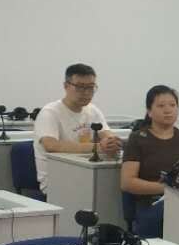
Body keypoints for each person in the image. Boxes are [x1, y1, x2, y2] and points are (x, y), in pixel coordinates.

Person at [121, 85, 179, 235]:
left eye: (172, 105)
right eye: (161, 106)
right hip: (153, 204)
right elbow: (127, 183)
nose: (168, 110)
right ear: (149, 111)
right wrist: (169, 188)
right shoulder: (138, 139)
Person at [33, 63, 123, 193]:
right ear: (66, 86)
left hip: (88, 173)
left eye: (90, 87)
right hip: (58, 181)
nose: (86, 93)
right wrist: (98, 147)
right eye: (80, 87)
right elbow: (51, 145)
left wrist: (112, 142)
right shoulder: (50, 112)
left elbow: (107, 134)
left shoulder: (93, 110)